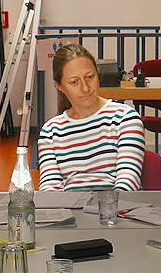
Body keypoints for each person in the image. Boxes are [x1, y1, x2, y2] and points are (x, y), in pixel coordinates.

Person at [35, 43, 145, 191]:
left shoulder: (125, 118)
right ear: (59, 86)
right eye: (74, 82)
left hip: (116, 209)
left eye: (90, 77)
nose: (85, 88)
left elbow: (127, 183)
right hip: (69, 209)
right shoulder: (50, 131)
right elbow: (50, 190)